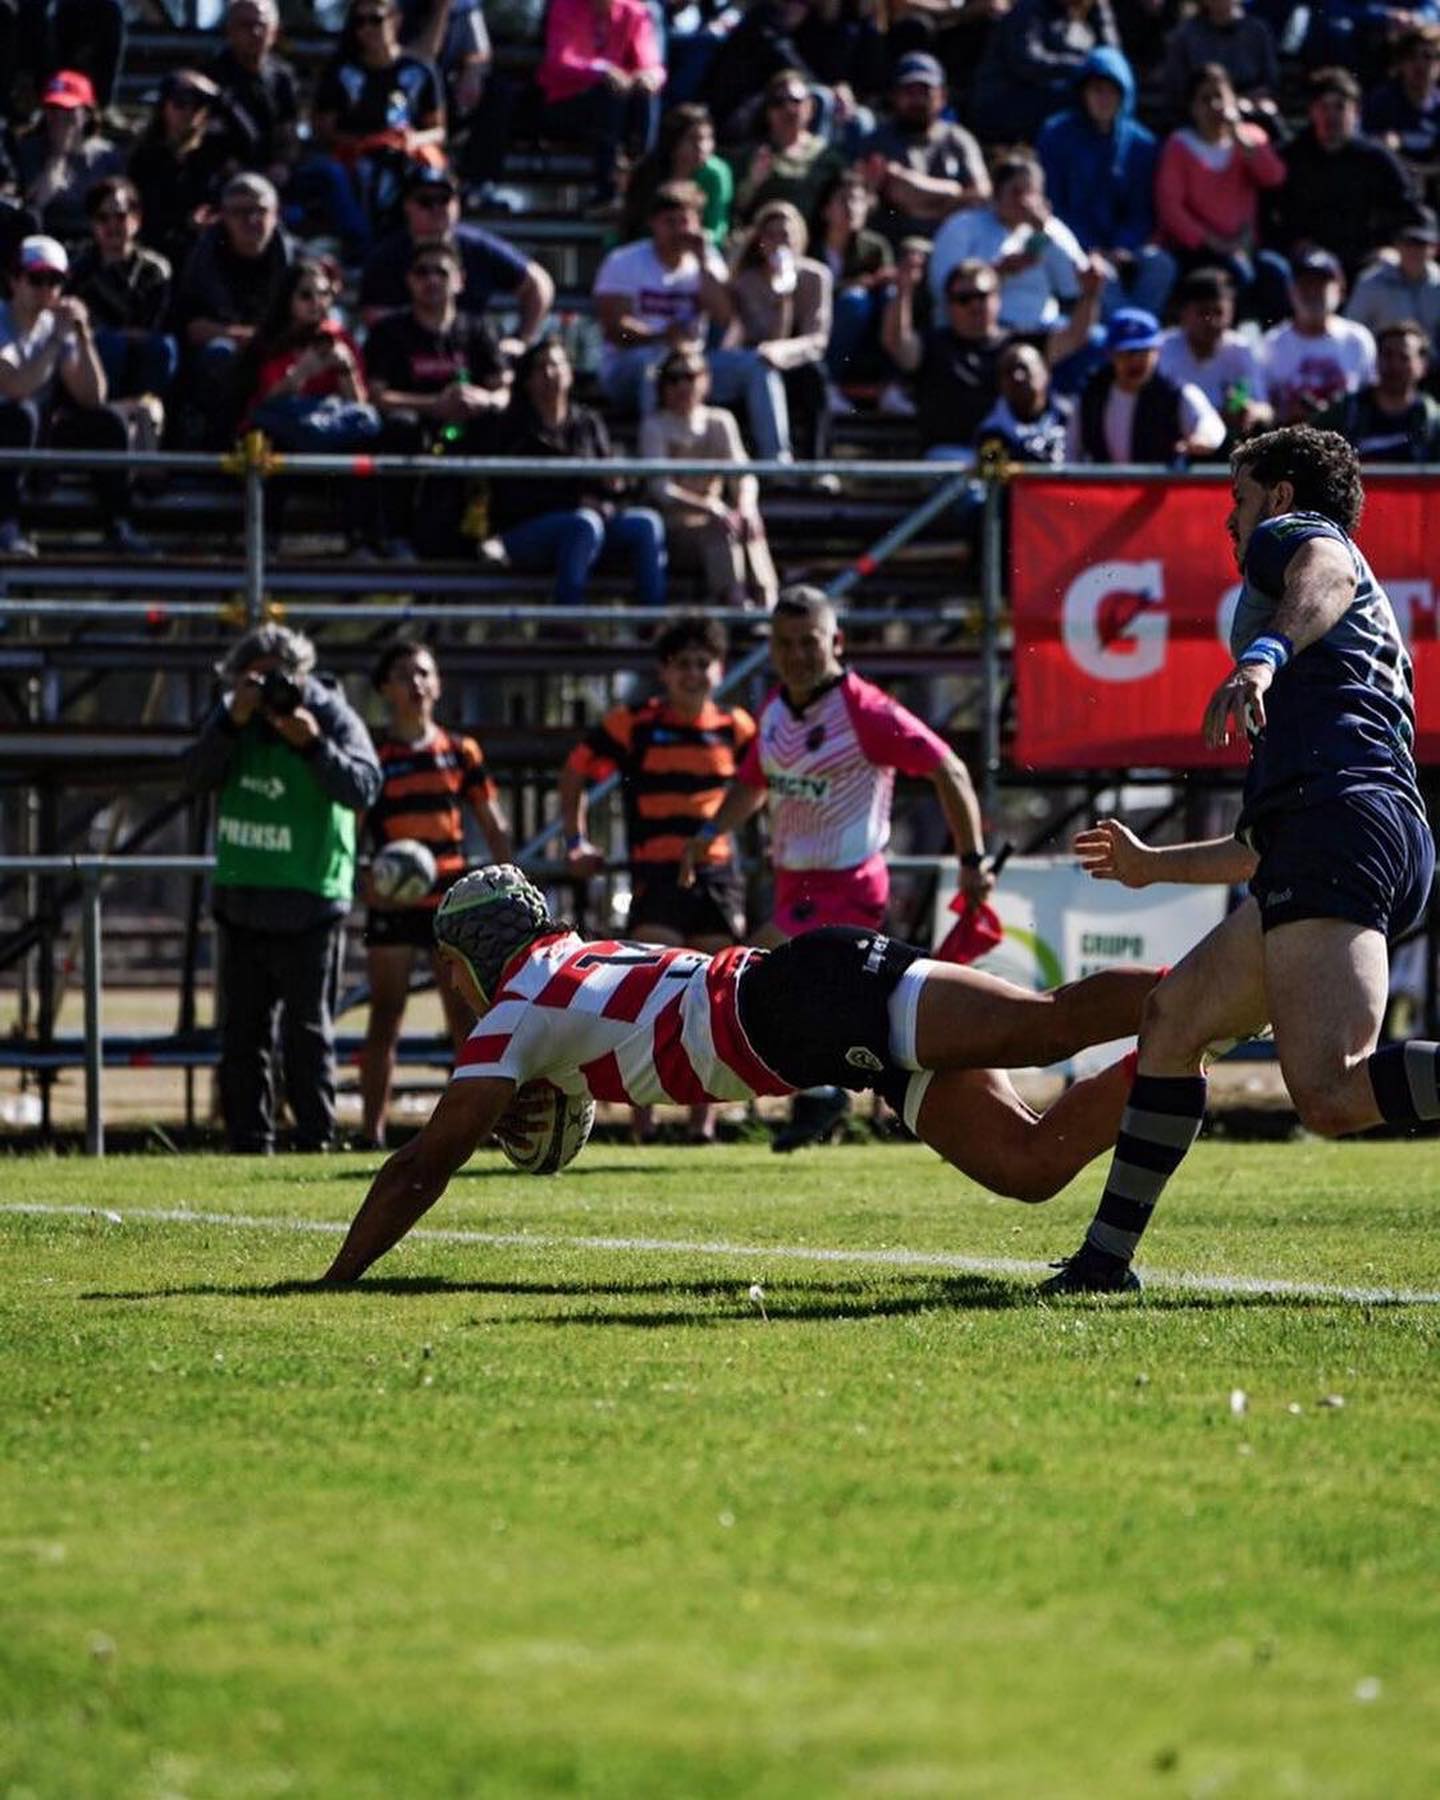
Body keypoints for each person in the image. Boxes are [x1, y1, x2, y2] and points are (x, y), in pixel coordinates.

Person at [321, 861, 1159, 1282]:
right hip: (814, 1026)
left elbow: (421, 1166)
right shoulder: (567, 960)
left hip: (812, 999)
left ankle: (1198, 997)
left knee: (1042, 1027)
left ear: (468, 958)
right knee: (1029, 1166)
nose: (453, 988)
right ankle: (1176, 1049)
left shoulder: (515, 1011)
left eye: (451, 969)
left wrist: (333, 1279)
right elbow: (582, 1067)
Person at [1046, 426, 1435, 1294]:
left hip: (1341, 826)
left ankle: (1104, 1261)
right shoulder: (1329, 681)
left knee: (1329, 1094)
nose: (1232, 522)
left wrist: (1261, 657)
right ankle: (1103, 1264)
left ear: (1282, 497)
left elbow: (1325, 569)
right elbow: (1257, 851)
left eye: (1240, 499)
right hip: (1340, 832)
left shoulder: (1299, 540)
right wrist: (1150, 865)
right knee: (1173, 1021)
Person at [677, 584, 993, 1149]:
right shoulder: (775, 710)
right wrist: (709, 833)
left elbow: (950, 770)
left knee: (758, 972)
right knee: (847, 1003)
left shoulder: (865, 711)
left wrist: (971, 859)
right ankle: (888, 1092)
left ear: (837, 642)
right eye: (785, 643)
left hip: (848, 883)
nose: (797, 655)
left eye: (810, 642)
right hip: (792, 885)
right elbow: (752, 783)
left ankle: (824, 1093)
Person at [184, 623, 382, 1155]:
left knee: (307, 1031)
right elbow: (192, 777)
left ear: (301, 675)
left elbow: (365, 786)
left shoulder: (330, 713)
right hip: (242, 895)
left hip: (311, 895)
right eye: (256, 678)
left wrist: (314, 745)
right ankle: (248, 1142)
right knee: (242, 1035)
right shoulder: (231, 715)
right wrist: (231, 721)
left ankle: (316, 1139)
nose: (270, 688)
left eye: (279, 677)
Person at [560, 613, 756, 1141]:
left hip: (717, 877)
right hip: (657, 875)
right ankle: (642, 1125)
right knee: (651, 1000)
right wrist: (575, 840)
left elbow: (763, 784)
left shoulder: (737, 727)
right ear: (664, 672)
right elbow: (575, 770)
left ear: (720, 669)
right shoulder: (634, 722)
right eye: (682, 664)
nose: (693, 673)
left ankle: (702, 1127)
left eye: (703, 663)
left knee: (714, 1001)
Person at [360, 639, 512, 1147]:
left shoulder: (460, 751)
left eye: (424, 673)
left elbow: (492, 822)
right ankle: (371, 1132)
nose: (417, 683)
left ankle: (474, 1130)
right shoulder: (374, 756)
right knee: (386, 1014)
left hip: (451, 904)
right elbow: (354, 827)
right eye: (404, 675)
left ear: (439, 684)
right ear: (385, 689)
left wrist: (508, 880)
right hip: (394, 902)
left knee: (465, 1018)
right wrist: (366, 881)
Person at [592, 181, 790, 463]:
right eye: (669, 222)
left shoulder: (706, 261)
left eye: (685, 222)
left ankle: (778, 463)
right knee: (656, 366)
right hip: (630, 366)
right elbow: (614, 331)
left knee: (758, 365)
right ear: (653, 224)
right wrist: (660, 337)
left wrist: (703, 264)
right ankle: (657, 468)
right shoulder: (624, 262)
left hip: (693, 365)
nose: (678, 231)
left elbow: (726, 318)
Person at [484, 337, 667, 607]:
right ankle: (566, 617)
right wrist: (575, 501)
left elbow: (610, 479)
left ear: (569, 373)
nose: (550, 374)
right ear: (527, 380)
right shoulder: (513, 427)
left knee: (646, 524)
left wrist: (617, 485)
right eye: (541, 367)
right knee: (583, 523)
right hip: (528, 531)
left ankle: (654, 620)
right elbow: (512, 496)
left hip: (590, 527)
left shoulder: (587, 422)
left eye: (557, 365)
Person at [0, 234, 148, 560]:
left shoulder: (57, 326)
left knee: (108, 421)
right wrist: (56, 340)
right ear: (14, 280)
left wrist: (83, 336)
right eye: (36, 279)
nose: (46, 290)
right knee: (21, 414)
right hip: (7, 431)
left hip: (37, 434)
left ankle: (117, 524)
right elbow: (14, 387)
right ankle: (5, 526)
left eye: (55, 281)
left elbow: (93, 396)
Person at [363, 238, 509, 556]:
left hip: (469, 423)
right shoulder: (389, 331)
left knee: (499, 423)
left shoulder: (480, 328)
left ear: (460, 280)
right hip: (414, 427)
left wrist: (482, 399)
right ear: (409, 280)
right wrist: (434, 406)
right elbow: (375, 396)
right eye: (422, 272)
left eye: (441, 272)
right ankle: (396, 534)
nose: (431, 280)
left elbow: (503, 392)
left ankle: (492, 532)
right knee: (401, 427)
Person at [883, 254, 1102, 459]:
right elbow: (896, 343)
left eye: (982, 296)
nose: (975, 305)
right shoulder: (932, 345)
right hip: (952, 457)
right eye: (964, 298)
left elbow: (1075, 336)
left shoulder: (1020, 345)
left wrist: (1090, 293)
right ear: (949, 305)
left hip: (1015, 454)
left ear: (997, 298)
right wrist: (904, 290)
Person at [1036, 47, 1174, 323]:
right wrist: (1089, 246)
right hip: (1076, 246)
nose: (1103, 99)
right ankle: (1129, 333)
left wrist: (1123, 245)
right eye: (1096, 90)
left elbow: (1143, 208)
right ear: (1083, 93)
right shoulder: (1057, 135)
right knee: (1100, 275)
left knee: (1160, 264)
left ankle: (1137, 330)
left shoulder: (1141, 144)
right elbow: (1053, 203)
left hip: (1125, 249)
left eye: (1111, 91)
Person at [639, 348, 778, 609]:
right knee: (721, 528)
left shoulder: (720, 421)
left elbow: (743, 475)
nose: (682, 386)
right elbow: (661, 489)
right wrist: (710, 507)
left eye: (690, 377)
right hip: (675, 529)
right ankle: (736, 603)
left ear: (705, 380)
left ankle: (768, 603)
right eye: (674, 378)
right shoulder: (654, 426)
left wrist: (746, 507)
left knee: (749, 522)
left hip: (720, 522)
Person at [358, 165, 554, 348]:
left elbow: (538, 283)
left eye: (444, 199)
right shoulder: (386, 257)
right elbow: (374, 317)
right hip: (409, 358)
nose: (436, 208)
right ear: (407, 205)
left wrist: (521, 340)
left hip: (472, 353)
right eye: (426, 201)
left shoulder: (478, 247)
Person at [1154, 62, 1289, 324]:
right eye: (1205, 99)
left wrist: (1241, 139)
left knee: (1275, 271)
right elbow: (1171, 208)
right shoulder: (1179, 146)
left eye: (1220, 97)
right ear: (1193, 107)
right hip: (1197, 250)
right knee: (1236, 276)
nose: (1215, 106)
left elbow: (1274, 177)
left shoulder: (1251, 138)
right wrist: (1213, 242)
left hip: (1245, 246)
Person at [311, 0, 446, 252]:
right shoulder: (342, 71)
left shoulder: (419, 70)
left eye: (375, 20)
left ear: (395, 20)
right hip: (356, 156)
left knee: (430, 177)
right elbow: (324, 128)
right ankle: (362, 248)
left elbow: (438, 130)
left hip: (407, 155)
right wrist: (365, 141)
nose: (367, 29)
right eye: (359, 22)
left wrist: (413, 140)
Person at [172, 171, 292, 448]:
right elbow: (193, 328)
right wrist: (245, 336)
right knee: (220, 353)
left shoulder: (292, 261)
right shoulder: (201, 260)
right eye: (240, 212)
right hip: (222, 354)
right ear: (223, 216)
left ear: (276, 214)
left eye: (260, 211)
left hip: (280, 350)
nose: (251, 220)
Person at [927, 154, 1096, 346]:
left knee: (1096, 340)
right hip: (991, 332)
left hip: (1046, 327)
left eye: (1032, 192)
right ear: (997, 193)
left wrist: (1045, 231)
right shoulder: (962, 226)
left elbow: (1074, 285)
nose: (1025, 201)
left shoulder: (1051, 229)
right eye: (1016, 192)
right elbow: (942, 289)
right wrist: (998, 272)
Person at [1268, 67, 1415, 282]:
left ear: (1356, 112)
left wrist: (1392, 247)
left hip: (1365, 258)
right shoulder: (1290, 157)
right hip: (1309, 262)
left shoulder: (1376, 158)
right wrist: (1293, 242)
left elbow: (1408, 207)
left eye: (1340, 107)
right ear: (1312, 111)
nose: (1331, 116)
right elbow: (1269, 212)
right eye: (1323, 107)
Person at [725, 199, 833, 463]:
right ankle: (771, 461)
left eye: (785, 235)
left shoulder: (816, 276)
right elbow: (767, 337)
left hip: (795, 361)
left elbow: (817, 338)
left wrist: (782, 352)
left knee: (815, 375)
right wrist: (782, 295)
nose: (778, 243)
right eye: (770, 235)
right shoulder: (746, 282)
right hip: (759, 364)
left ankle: (817, 464)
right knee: (759, 374)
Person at [536, 0, 665, 208]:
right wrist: (602, 71)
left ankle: (643, 177)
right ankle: (607, 190)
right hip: (568, 102)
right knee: (610, 97)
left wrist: (648, 76)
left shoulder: (634, 12)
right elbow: (562, 60)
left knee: (644, 95)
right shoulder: (564, 7)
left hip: (619, 103)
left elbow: (650, 62)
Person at [856, 52, 989, 251]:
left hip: (948, 245)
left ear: (942, 96)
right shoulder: (878, 142)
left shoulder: (959, 139)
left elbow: (982, 194)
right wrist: (951, 196)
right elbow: (866, 197)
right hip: (893, 248)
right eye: (909, 92)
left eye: (925, 92)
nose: (917, 100)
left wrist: (923, 195)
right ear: (895, 95)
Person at [69, 175, 177, 409]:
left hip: (144, 353)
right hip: (97, 355)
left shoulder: (155, 269)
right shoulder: (79, 269)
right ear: (92, 224)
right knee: (109, 344)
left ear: (136, 219)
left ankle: (149, 412)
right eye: (102, 218)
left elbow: (155, 325)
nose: (112, 225)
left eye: (120, 216)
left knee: (162, 346)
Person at [1067, 306, 1227, 463]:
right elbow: (1071, 453)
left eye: (1143, 352)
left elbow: (1211, 425)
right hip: (1104, 481)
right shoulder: (1090, 395)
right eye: (1127, 353)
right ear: (1111, 354)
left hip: (1159, 481)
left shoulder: (1176, 393)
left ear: (1157, 352)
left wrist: (1202, 438)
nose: (1135, 361)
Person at [970, 0, 1123, 146]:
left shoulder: (1084, 11)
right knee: (1085, 101)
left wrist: (1100, 11)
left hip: (1049, 95)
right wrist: (1082, 66)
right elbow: (1027, 63)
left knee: (1107, 96)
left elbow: (1111, 62)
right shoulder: (1028, 8)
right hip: (1007, 102)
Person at [126, 69, 228, 273]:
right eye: (180, 103)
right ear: (164, 107)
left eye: (197, 105)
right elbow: (146, 213)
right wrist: (186, 223)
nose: (188, 112)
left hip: (204, 253)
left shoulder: (213, 155)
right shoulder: (145, 157)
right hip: (156, 252)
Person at [1259, 250, 1376, 428]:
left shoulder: (1357, 339)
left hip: (1347, 437)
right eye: (1305, 284)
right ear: (1291, 292)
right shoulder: (1271, 344)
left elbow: (1370, 401)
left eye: (1321, 285)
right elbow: (1264, 407)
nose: (1312, 292)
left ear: (1340, 291)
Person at [1157, 266, 1271, 439]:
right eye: (1203, 313)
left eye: (1219, 312)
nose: (1212, 322)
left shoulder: (1241, 350)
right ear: (1184, 313)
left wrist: (1251, 413)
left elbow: (1265, 409)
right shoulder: (1162, 350)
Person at [14, 68, 121, 249]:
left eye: (68, 110)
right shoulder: (29, 150)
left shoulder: (107, 156)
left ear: (87, 113)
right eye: (52, 109)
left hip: (92, 244)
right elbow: (35, 205)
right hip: (44, 241)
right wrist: (58, 154)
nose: (59, 118)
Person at [729, 67, 844, 230]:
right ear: (768, 111)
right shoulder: (750, 156)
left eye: (796, 101)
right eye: (778, 102)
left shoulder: (829, 160)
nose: (788, 109)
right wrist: (752, 183)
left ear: (810, 107)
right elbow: (734, 209)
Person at [1315, 319, 1440, 462]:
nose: (1394, 365)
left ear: (1423, 366)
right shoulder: (1346, 412)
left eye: (1404, 357)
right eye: (1387, 355)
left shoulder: (1434, 421)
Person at [620, 103, 733, 248]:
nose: (702, 147)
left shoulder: (716, 174)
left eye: (708, 138)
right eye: (692, 139)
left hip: (697, 249)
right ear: (673, 141)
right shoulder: (649, 172)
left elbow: (716, 228)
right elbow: (634, 223)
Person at [1160, 0, 1280, 129]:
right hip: (1199, 117)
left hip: (1251, 110)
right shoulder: (1186, 35)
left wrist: (1241, 102)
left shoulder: (1257, 31)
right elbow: (1177, 89)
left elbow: (1269, 82)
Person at [1345, 205, 1440, 347]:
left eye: (1421, 244)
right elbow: (1351, 331)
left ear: (1435, 248)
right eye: (1408, 243)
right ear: (1397, 244)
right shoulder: (1372, 283)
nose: (1414, 251)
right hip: (1383, 359)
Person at [974, 340, 1071, 464]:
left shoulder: (1070, 418)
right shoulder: (990, 432)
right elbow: (990, 469)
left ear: (1045, 372)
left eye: (1024, 368)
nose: (1017, 377)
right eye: (1009, 371)